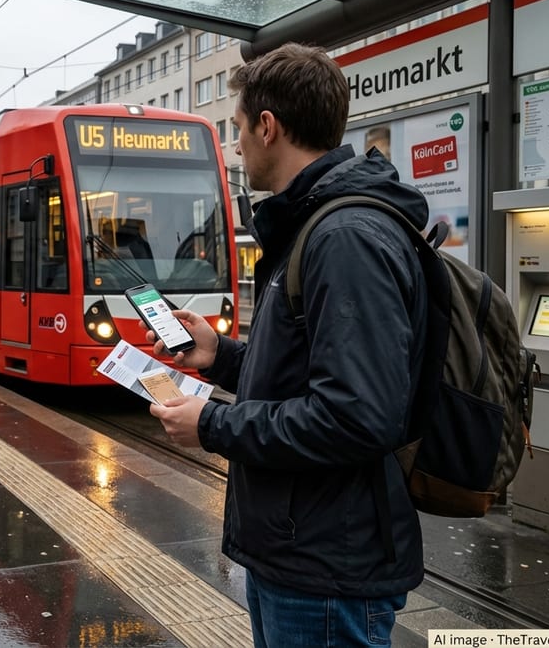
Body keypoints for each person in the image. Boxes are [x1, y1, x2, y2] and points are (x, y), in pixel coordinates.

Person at [144, 43, 428, 647]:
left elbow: (356, 416)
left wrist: (213, 425)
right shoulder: (311, 227)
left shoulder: (343, 236)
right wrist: (219, 355)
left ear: (268, 128)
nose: (238, 144)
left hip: (326, 566)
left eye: (240, 128)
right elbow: (306, 374)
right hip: (300, 550)